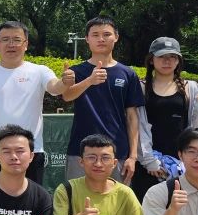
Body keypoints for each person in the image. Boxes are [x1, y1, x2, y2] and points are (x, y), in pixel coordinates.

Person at [0, 21, 72, 184]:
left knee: (30, 197)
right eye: (5, 39)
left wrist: (64, 82)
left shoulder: (40, 71)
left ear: (26, 44)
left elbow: (55, 87)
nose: (11, 44)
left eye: (17, 39)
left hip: (30, 151)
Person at [62, 17, 144, 182]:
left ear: (116, 37)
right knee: (78, 197)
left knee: (117, 197)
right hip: (80, 151)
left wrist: (133, 156)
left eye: (106, 34)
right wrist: (89, 81)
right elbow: (67, 96)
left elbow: (132, 116)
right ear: (87, 39)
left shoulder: (128, 73)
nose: (101, 39)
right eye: (95, 35)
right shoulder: (77, 71)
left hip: (117, 152)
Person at [131, 37, 198, 202]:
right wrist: (149, 161)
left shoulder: (190, 87)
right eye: (162, 56)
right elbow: (137, 126)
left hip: (181, 161)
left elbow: (196, 126)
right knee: (148, 208)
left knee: (180, 208)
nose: (167, 61)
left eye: (172, 57)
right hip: (148, 162)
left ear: (178, 61)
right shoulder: (140, 87)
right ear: (152, 60)